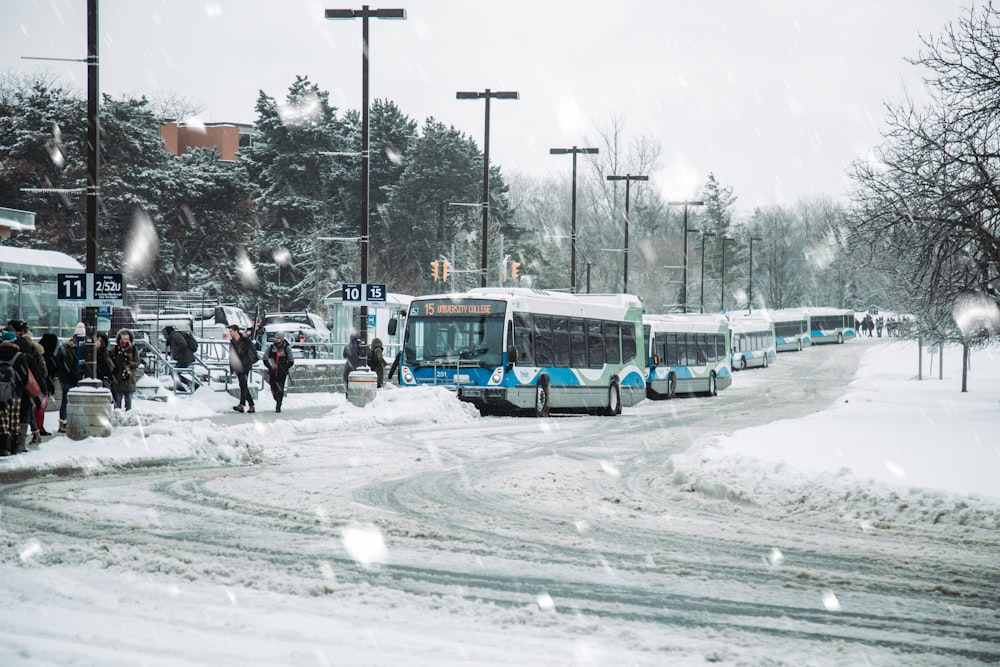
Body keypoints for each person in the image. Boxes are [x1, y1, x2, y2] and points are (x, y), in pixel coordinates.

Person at [9, 320, 43, 451]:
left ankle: (8, 443)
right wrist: (41, 390)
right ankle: (19, 443)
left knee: (8, 416)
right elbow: (36, 374)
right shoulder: (25, 356)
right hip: (22, 392)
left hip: (8, 391)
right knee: (23, 415)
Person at [0, 330, 29, 456]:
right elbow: (24, 376)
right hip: (15, 392)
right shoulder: (18, 356)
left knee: (2, 418)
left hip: (0, 392)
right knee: (14, 418)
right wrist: (19, 388)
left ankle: (2, 447)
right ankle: (14, 445)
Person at [54, 323, 86, 433]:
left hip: (66, 377)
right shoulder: (77, 348)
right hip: (70, 377)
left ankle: (64, 422)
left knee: (66, 400)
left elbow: (58, 361)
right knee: (67, 400)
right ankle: (65, 422)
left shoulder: (65, 347)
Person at [229, 324, 258, 413]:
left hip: (245, 365)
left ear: (236, 331)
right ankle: (251, 405)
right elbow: (231, 356)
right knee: (243, 385)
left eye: (231, 331)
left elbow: (252, 351)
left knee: (243, 384)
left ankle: (242, 404)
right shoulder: (232, 342)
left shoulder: (245, 340)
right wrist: (232, 369)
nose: (229, 333)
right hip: (238, 366)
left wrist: (248, 361)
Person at [263, 332, 294, 413]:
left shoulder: (286, 348)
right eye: (275, 338)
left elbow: (291, 361)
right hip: (272, 372)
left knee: (280, 389)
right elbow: (265, 358)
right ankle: (276, 399)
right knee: (273, 388)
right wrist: (270, 367)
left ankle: (278, 405)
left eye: (278, 338)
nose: (276, 340)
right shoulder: (271, 347)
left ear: (282, 339)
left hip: (281, 373)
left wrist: (284, 368)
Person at [111, 328, 140, 411]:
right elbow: (112, 363)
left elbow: (137, 363)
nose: (125, 341)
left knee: (129, 402)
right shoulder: (115, 349)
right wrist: (118, 361)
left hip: (129, 379)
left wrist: (129, 363)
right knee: (117, 402)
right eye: (123, 339)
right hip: (118, 379)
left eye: (127, 339)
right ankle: (117, 417)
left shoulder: (133, 349)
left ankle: (128, 416)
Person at [164, 325, 196, 392]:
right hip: (184, 358)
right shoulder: (173, 336)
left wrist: (177, 350)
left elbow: (183, 344)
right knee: (174, 373)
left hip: (185, 358)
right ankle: (188, 385)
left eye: (164, 333)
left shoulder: (175, 336)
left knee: (174, 372)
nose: (164, 336)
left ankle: (187, 385)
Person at [38, 332, 59, 436]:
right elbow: (52, 369)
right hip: (44, 384)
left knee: (38, 407)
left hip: (40, 384)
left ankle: (38, 427)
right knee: (40, 407)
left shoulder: (39, 353)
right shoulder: (48, 356)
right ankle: (39, 428)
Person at [342, 332, 360, 398]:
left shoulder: (347, 347)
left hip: (348, 369)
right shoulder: (360, 347)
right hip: (357, 370)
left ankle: (348, 399)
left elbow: (344, 355)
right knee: (356, 388)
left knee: (348, 386)